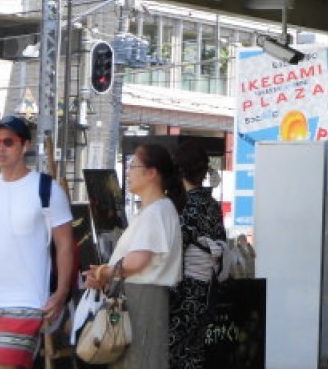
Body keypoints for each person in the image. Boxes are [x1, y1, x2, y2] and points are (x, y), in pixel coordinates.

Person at [0, 115, 75, 369]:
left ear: (25, 145)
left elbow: (66, 245)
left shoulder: (46, 189)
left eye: (8, 142)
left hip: (28, 302)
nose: (0, 148)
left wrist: (61, 292)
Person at [89, 143, 185, 369]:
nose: (128, 172)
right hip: (141, 296)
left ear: (152, 173)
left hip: (141, 298)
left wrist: (104, 272)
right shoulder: (157, 209)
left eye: (133, 166)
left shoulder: (156, 211)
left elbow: (136, 262)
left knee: (138, 361)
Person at [169, 141, 226, 369]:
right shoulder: (211, 204)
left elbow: (175, 250)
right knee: (194, 354)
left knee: (173, 352)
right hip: (208, 289)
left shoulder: (185, 206)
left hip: (186, 292)